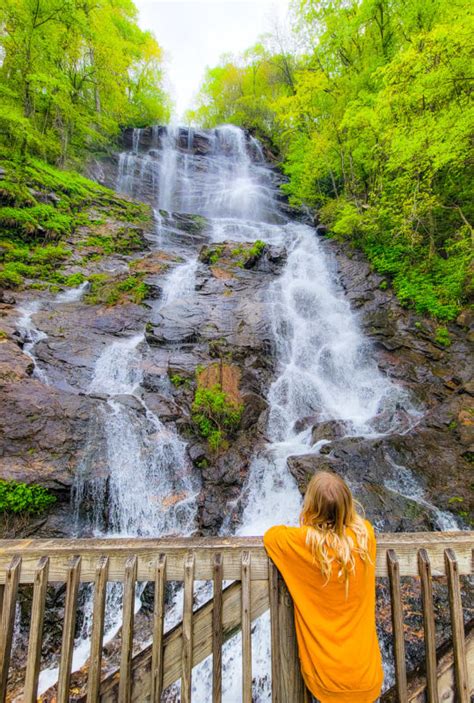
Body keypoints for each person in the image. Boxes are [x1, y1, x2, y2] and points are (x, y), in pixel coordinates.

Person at [263, 470, 383, 703]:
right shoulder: (365, 536)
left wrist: (307, 524)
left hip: (325, 682)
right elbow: (358, 524)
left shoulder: (300, 544)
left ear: (310, 507)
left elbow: (271, 535)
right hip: (367, 678)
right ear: (348, 506)